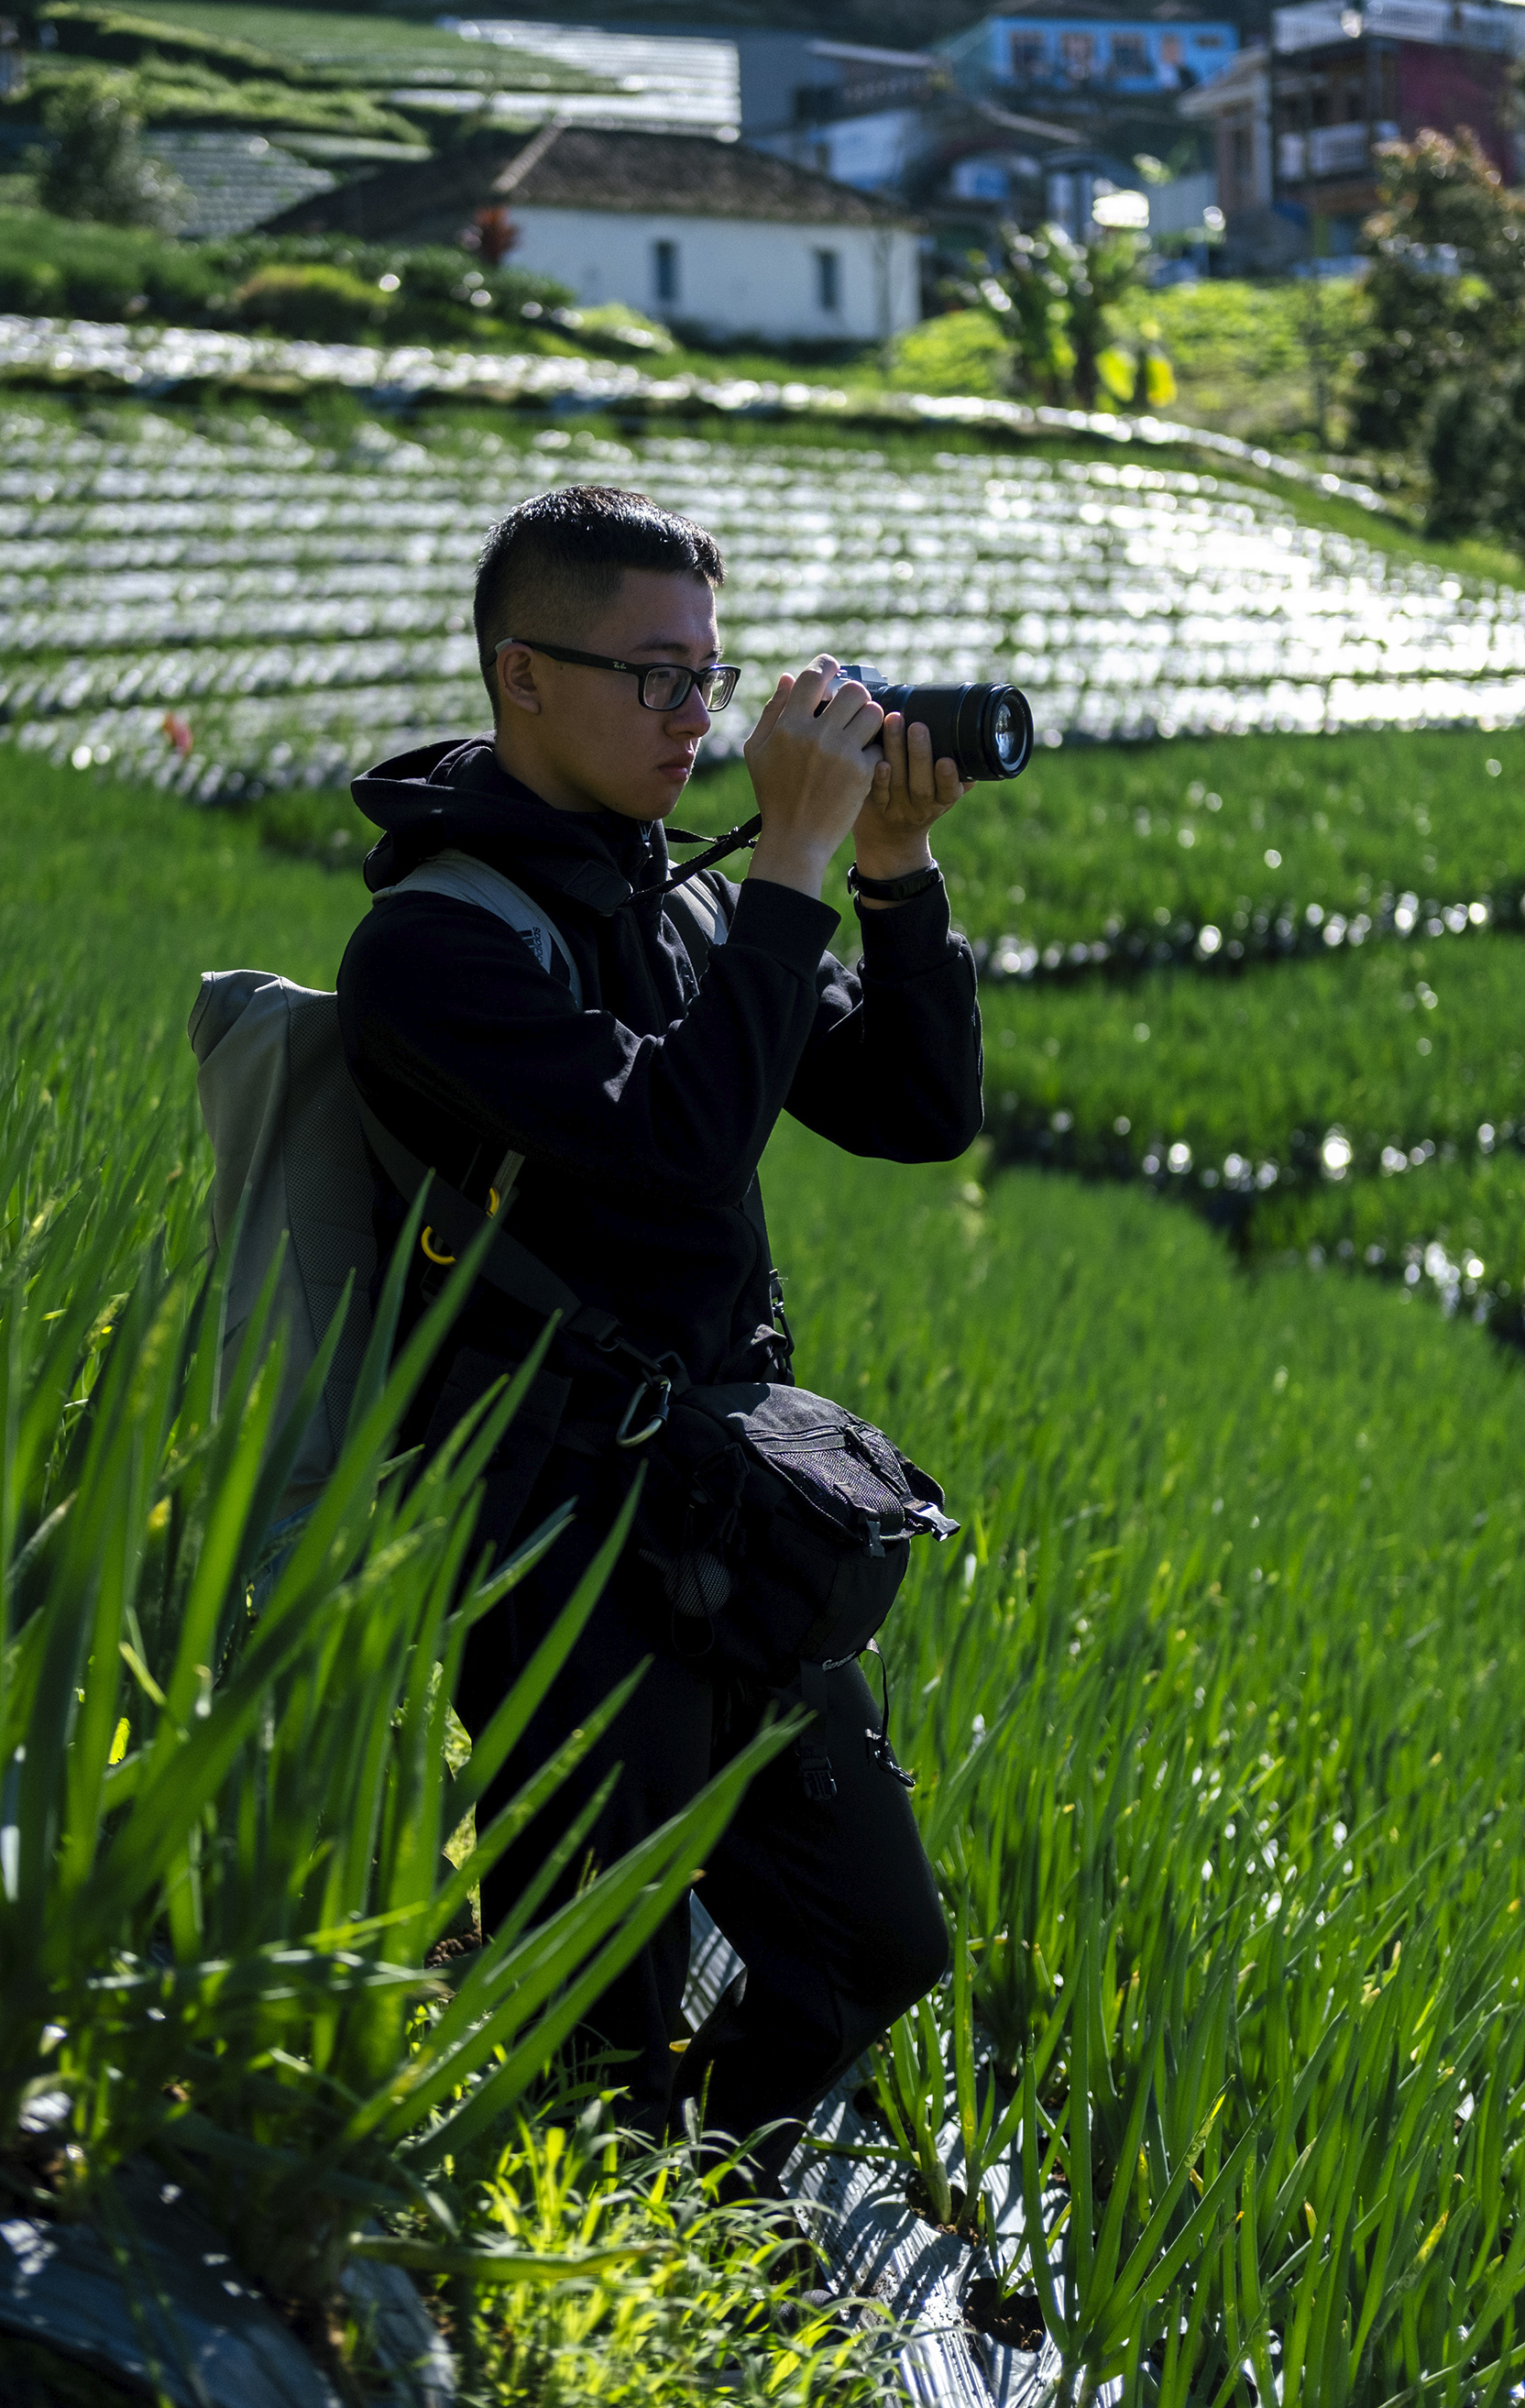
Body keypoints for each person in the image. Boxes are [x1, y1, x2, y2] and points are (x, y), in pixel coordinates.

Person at [336, 482, 982, 2181]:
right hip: (558, 1523)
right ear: (518, 676)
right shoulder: (437, 944)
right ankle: (583, 2242)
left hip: (726, 1505)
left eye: (707, 677)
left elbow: (919, 1110)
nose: (694, 719)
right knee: (587, 2004)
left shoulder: (682, 900)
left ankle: (702, 2194)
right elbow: (678, 1153)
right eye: (650, 678)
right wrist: (789, 862)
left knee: (873, 1950)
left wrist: (895, 878)